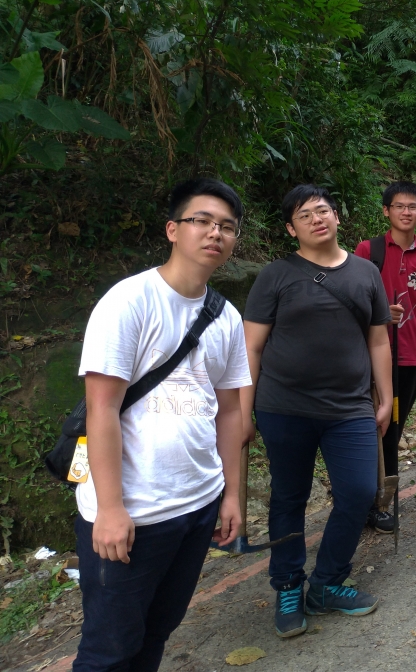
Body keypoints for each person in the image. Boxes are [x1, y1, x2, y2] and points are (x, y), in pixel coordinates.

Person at [74, 178, 250, 672]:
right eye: (202, 221)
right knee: (109, 648)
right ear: (173, 229)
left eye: (227, 227)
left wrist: (232, 494)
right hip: (133, 514)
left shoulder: (227, 317)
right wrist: (110, 509)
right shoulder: (129, 302)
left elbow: (232, 410)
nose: (215, 233)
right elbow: (102, 408)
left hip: (197, 502)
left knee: (157, 631)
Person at [242, 184, 392, 638]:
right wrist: (244, 412)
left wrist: (384, 396)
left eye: (322, 210)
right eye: (304, 216)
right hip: (283, 407)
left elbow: (379, 338)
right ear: (291, 229)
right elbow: (251, 346)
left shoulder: (366, 273)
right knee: (289, 497)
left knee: (360, 492)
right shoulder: (276, 275)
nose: (316, 219)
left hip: (349, 408)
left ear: (337, 217)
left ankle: (326, 583)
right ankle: (288, 585)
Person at [355, 181, 416, 533]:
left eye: (413, 207)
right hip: (369, 354)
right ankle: (369, 499)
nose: (406, 212)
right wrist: (381, 312)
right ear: (386, 211)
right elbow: (352, 301)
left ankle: (379, 499)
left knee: (391, 427)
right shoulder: (368, 251)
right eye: (399, 206)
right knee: (370, 428)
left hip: (410, 356)